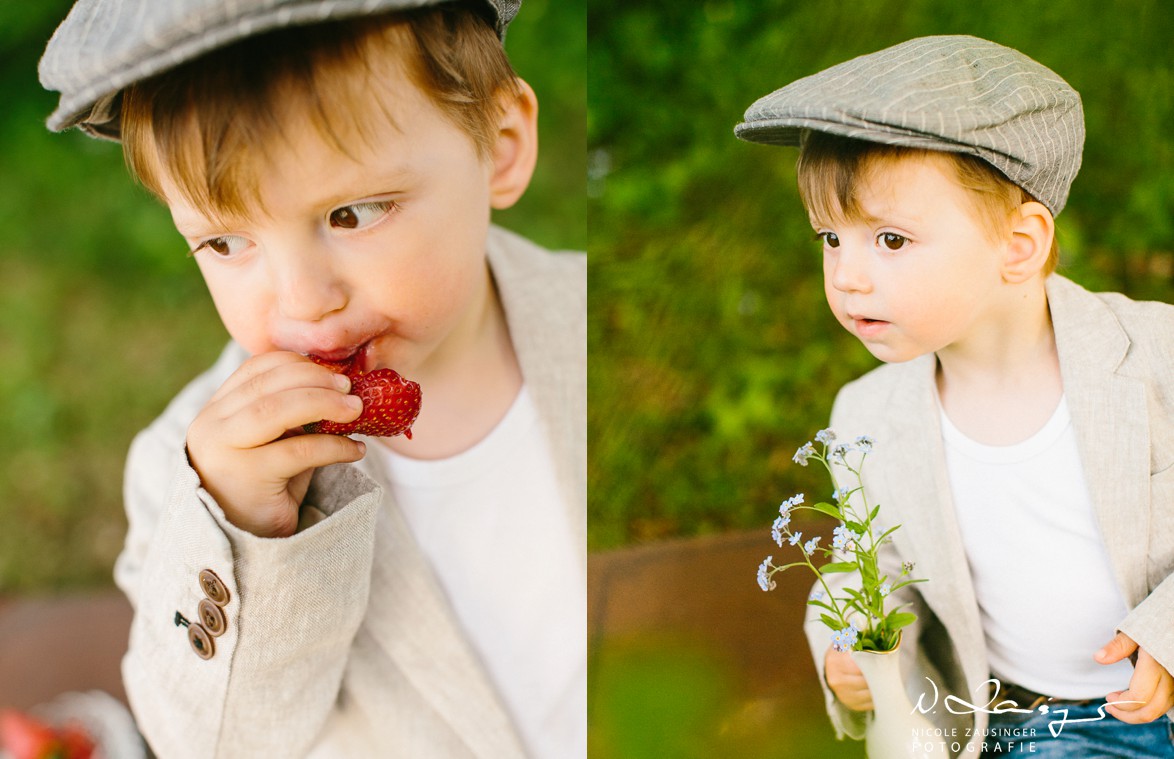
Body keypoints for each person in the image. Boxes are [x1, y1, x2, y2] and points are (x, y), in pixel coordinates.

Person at [38, 1, 585, 756]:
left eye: (353, 214)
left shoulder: (590, 319)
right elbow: (212, 741)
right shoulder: (190, 481)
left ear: (500, 147)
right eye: (226, 240)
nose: (303, 302)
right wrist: (246, 531)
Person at [736, 35, 1173, 756]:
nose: (846, 276)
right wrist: (844, 647)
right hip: (1025, 723)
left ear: (1019, 243)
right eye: (829, 238)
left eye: (891, 240)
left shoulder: (1157, 355)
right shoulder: (869, 415)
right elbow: (871, 571)